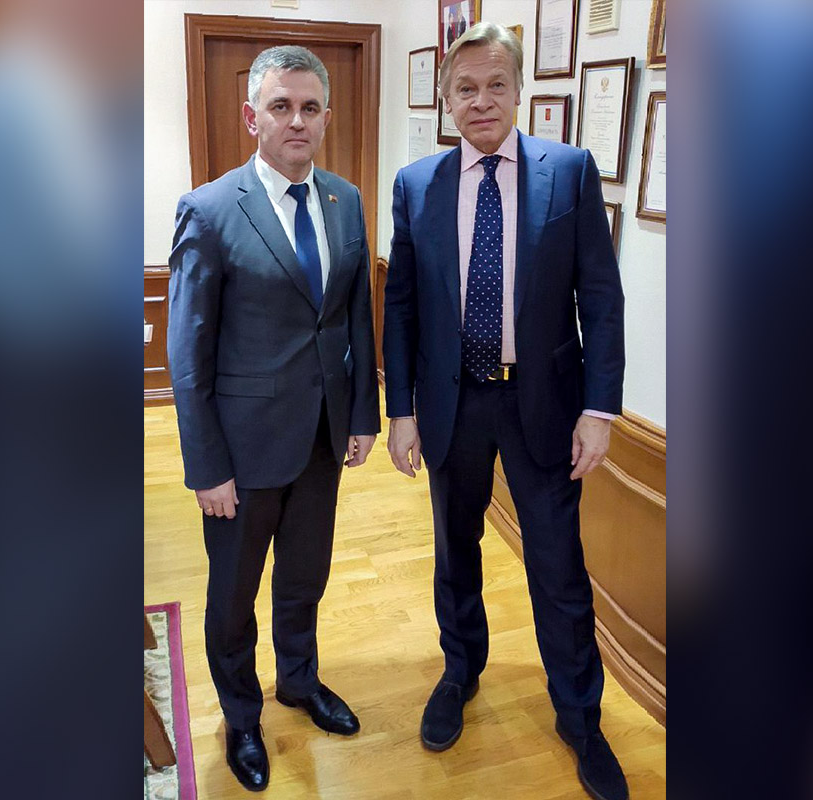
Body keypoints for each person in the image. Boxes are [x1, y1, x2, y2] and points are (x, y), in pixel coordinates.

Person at [382, 23, 628, 800]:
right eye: (466, 88)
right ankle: (461, 672)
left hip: (543, 405)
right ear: (447, 100)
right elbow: (401, 307)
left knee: (558, 568)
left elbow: (601, 299)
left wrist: (601, 409)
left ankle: (580, 719)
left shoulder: (569, 172)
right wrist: (400, 410)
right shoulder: (416, 185)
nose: (481, 100)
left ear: (519, 91)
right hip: (452, 402)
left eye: (495, 85)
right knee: (455, 552)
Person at [166, 45, 379, 792]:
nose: (297, 121)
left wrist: (363, 415)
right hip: (243, 449)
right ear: (251, 116)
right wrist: (206, 466)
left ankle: (299, 679)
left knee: (304, 576)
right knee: (233, 596)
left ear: (326, 116)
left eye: (310, 107)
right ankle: (241, 716)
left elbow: (354, 317)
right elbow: (186, 353)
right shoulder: (210, 209)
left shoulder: (345, 200)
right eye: (281, 106)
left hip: (321, 436)